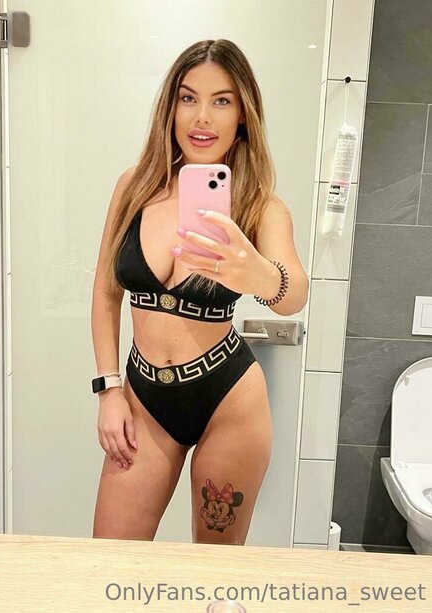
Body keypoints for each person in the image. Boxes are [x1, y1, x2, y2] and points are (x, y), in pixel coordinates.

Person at [91, 39, 309, 545]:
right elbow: (105, 294)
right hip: (142, 398)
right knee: (110, 559)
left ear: (243, 114)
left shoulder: (260, 205)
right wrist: (108, 390)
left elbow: (293, 292)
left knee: (214, 569)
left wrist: (256, 274)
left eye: (222, 100)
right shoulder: (133, 188)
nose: (202, 117)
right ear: (171, 107)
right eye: (188, 98)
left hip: (228, 399)